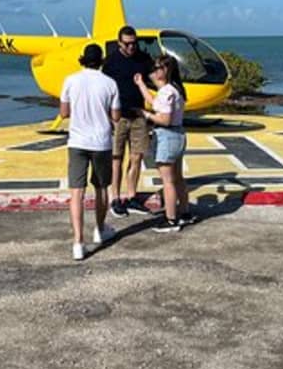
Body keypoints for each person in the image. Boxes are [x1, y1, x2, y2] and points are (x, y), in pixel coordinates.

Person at [60, 43, 121, 260]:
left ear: (83, 59)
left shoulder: (70, 80)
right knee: (102, 187)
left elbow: (64, 112)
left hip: (77, 140)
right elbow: (115, 116)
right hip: (101, 141)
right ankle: (100, 228)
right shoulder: (110, 83)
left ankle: (78, 242)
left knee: (77, 191)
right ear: (102, 61)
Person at [135, 54, 196, 232]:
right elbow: (155, 103)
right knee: (178, 178)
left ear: (165, 71)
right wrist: (141, 85)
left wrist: (146, 115)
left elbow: (165, 119)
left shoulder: (167, 92)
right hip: (178, 135)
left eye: (156, 68)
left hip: (167, 136)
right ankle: (184, 212)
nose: (152, 72)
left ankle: (171, 219)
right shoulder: (174, 89)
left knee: (168, 181)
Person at [102, 25, 154, 217]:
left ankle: (132, 196)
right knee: (116, 158)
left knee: (137, 157)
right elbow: (104, 89)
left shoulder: (143, 59)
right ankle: (115, 197)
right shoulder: (111, 62)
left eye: (134, 43)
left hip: (138, 115)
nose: (132, 47)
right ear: (119, 43)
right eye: (128, 44)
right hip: (119, 117)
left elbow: (153, 78)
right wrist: (108, 116)